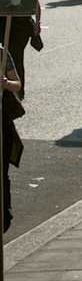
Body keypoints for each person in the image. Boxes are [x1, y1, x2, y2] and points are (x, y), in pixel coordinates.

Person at [0, 47, 23, 233]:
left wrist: (6, 83)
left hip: (1, 121)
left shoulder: (1, 53)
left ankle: (4, 212)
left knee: (2, 170)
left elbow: (17, 84)